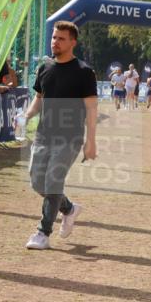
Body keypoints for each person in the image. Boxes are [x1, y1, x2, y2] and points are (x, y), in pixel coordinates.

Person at [22, 21, 98, 250]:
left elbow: (91, 108)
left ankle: (42, 233)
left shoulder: (84, 72)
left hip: (70, 138)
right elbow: (39, 97)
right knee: (38, 182)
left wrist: (91, 141)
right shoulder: (44, 67)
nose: (55, 42)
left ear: (73, 42)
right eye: (54, 38)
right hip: (43, 135)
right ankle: (69, 208)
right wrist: (27, 115)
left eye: (61, 39)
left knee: (53, 181)